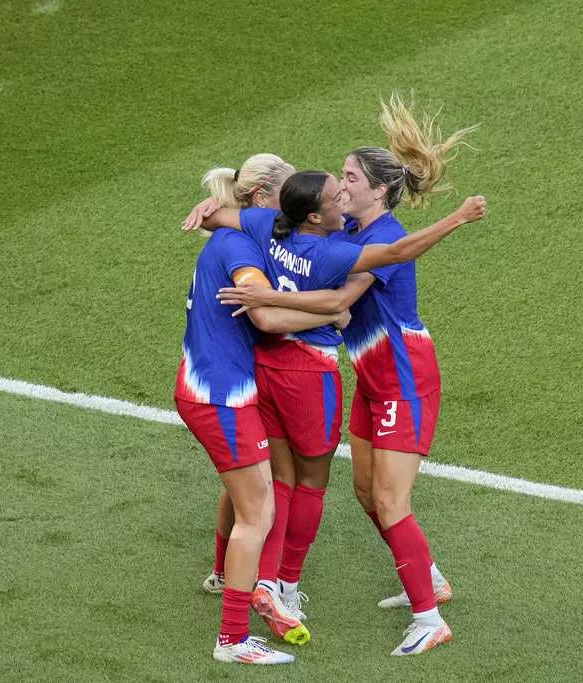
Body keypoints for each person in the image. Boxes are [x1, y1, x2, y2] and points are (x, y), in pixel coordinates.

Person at [212, 93, 479, 655]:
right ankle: (428, 577)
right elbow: (288, 231)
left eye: (351, 178)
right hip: (372, 378)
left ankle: (430, 619)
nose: (342, 184)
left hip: (404, 377)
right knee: (364, 492)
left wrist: (264, 298)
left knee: (389, 500)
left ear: (376, 190)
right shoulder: (349, 232)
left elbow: (339, 299)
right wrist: (219, 212)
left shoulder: (381, 238)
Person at [176, 178, 347, 664]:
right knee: (259, 512)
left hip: (212, 388)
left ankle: (220, 575)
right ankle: (232, 640)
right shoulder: (240, 250)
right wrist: (330, 315)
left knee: (245, 492)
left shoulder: (235, 236)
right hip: (222, 397)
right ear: (259, 200)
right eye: (283, 197)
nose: (289, 210)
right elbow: (267, 318)